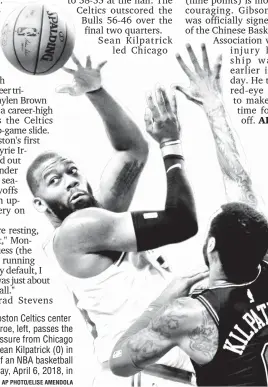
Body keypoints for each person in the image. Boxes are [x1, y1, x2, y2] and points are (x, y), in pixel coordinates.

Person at [110, 44, 268, 386]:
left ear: (210, 245)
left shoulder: (190, 315)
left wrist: (169, 294)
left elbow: (120, 361)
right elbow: (241, 185)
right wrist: (214, 106)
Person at [27, 54, 200, 386]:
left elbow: (132, 151)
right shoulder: (79, 229)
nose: (70, 180)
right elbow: (182, 223)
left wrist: (97, 91)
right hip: (141, 375)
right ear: (40, 203)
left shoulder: (96, 222)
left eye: (72, 171)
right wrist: (171, 145)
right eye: (55, 180)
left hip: (154, 372)